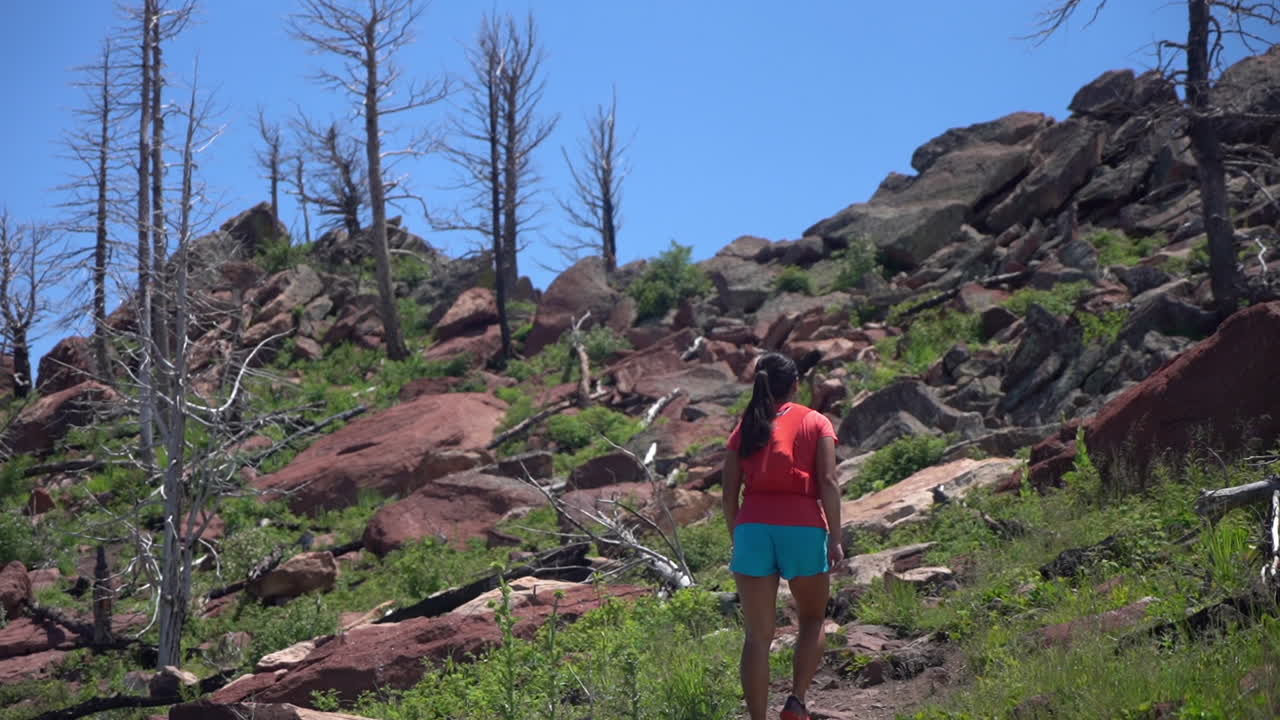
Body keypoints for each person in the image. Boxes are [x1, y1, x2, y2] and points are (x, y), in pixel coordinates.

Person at [723, 351, 843, 720]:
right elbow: (827, 480)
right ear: (794, 385)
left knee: (758, 637)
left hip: (753, 527)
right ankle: (796, 702)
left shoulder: (745, 427)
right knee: (811, 619)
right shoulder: (816, 421)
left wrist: (738, 534)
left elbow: (728, 493)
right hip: (803, 526)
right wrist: (835, 536)